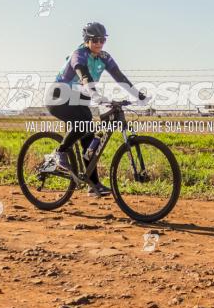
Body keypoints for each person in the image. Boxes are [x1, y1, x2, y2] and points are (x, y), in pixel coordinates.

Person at [46, 22, 150, 197]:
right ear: (87, 40)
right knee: (83, 125)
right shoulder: (78, 55)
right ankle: (59, 153)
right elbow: (83, 74)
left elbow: (119, 77)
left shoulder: (104, 57)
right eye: (95, 40)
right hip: (59, 97)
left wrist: (138, 95)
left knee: (89, 139)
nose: (99, 44)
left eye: (102, 40)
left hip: (79, 98)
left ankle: (93, 185)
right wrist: (93, 93)